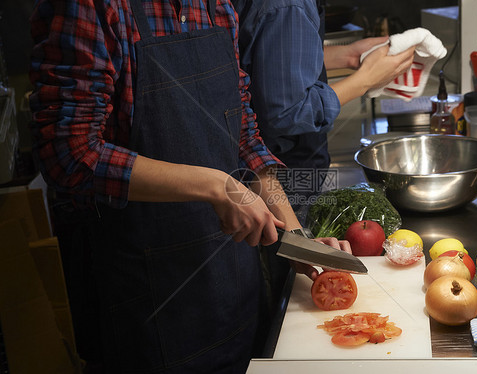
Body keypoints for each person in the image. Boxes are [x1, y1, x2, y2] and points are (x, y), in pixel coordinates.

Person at [28, 0, 348, 372]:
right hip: (147, 299)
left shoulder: (216, 6)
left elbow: (243, 133)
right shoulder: (91, 7)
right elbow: (70, 153)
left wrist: (295, 237)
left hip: (233, 287)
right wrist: (214, 184)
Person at [233, 0, 415, 210]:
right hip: (278, 171)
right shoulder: (291, 5)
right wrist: (365, 80)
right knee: (286, 239)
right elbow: (288, 113)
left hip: (273, 168)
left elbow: (271, 59)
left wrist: (348, 55)